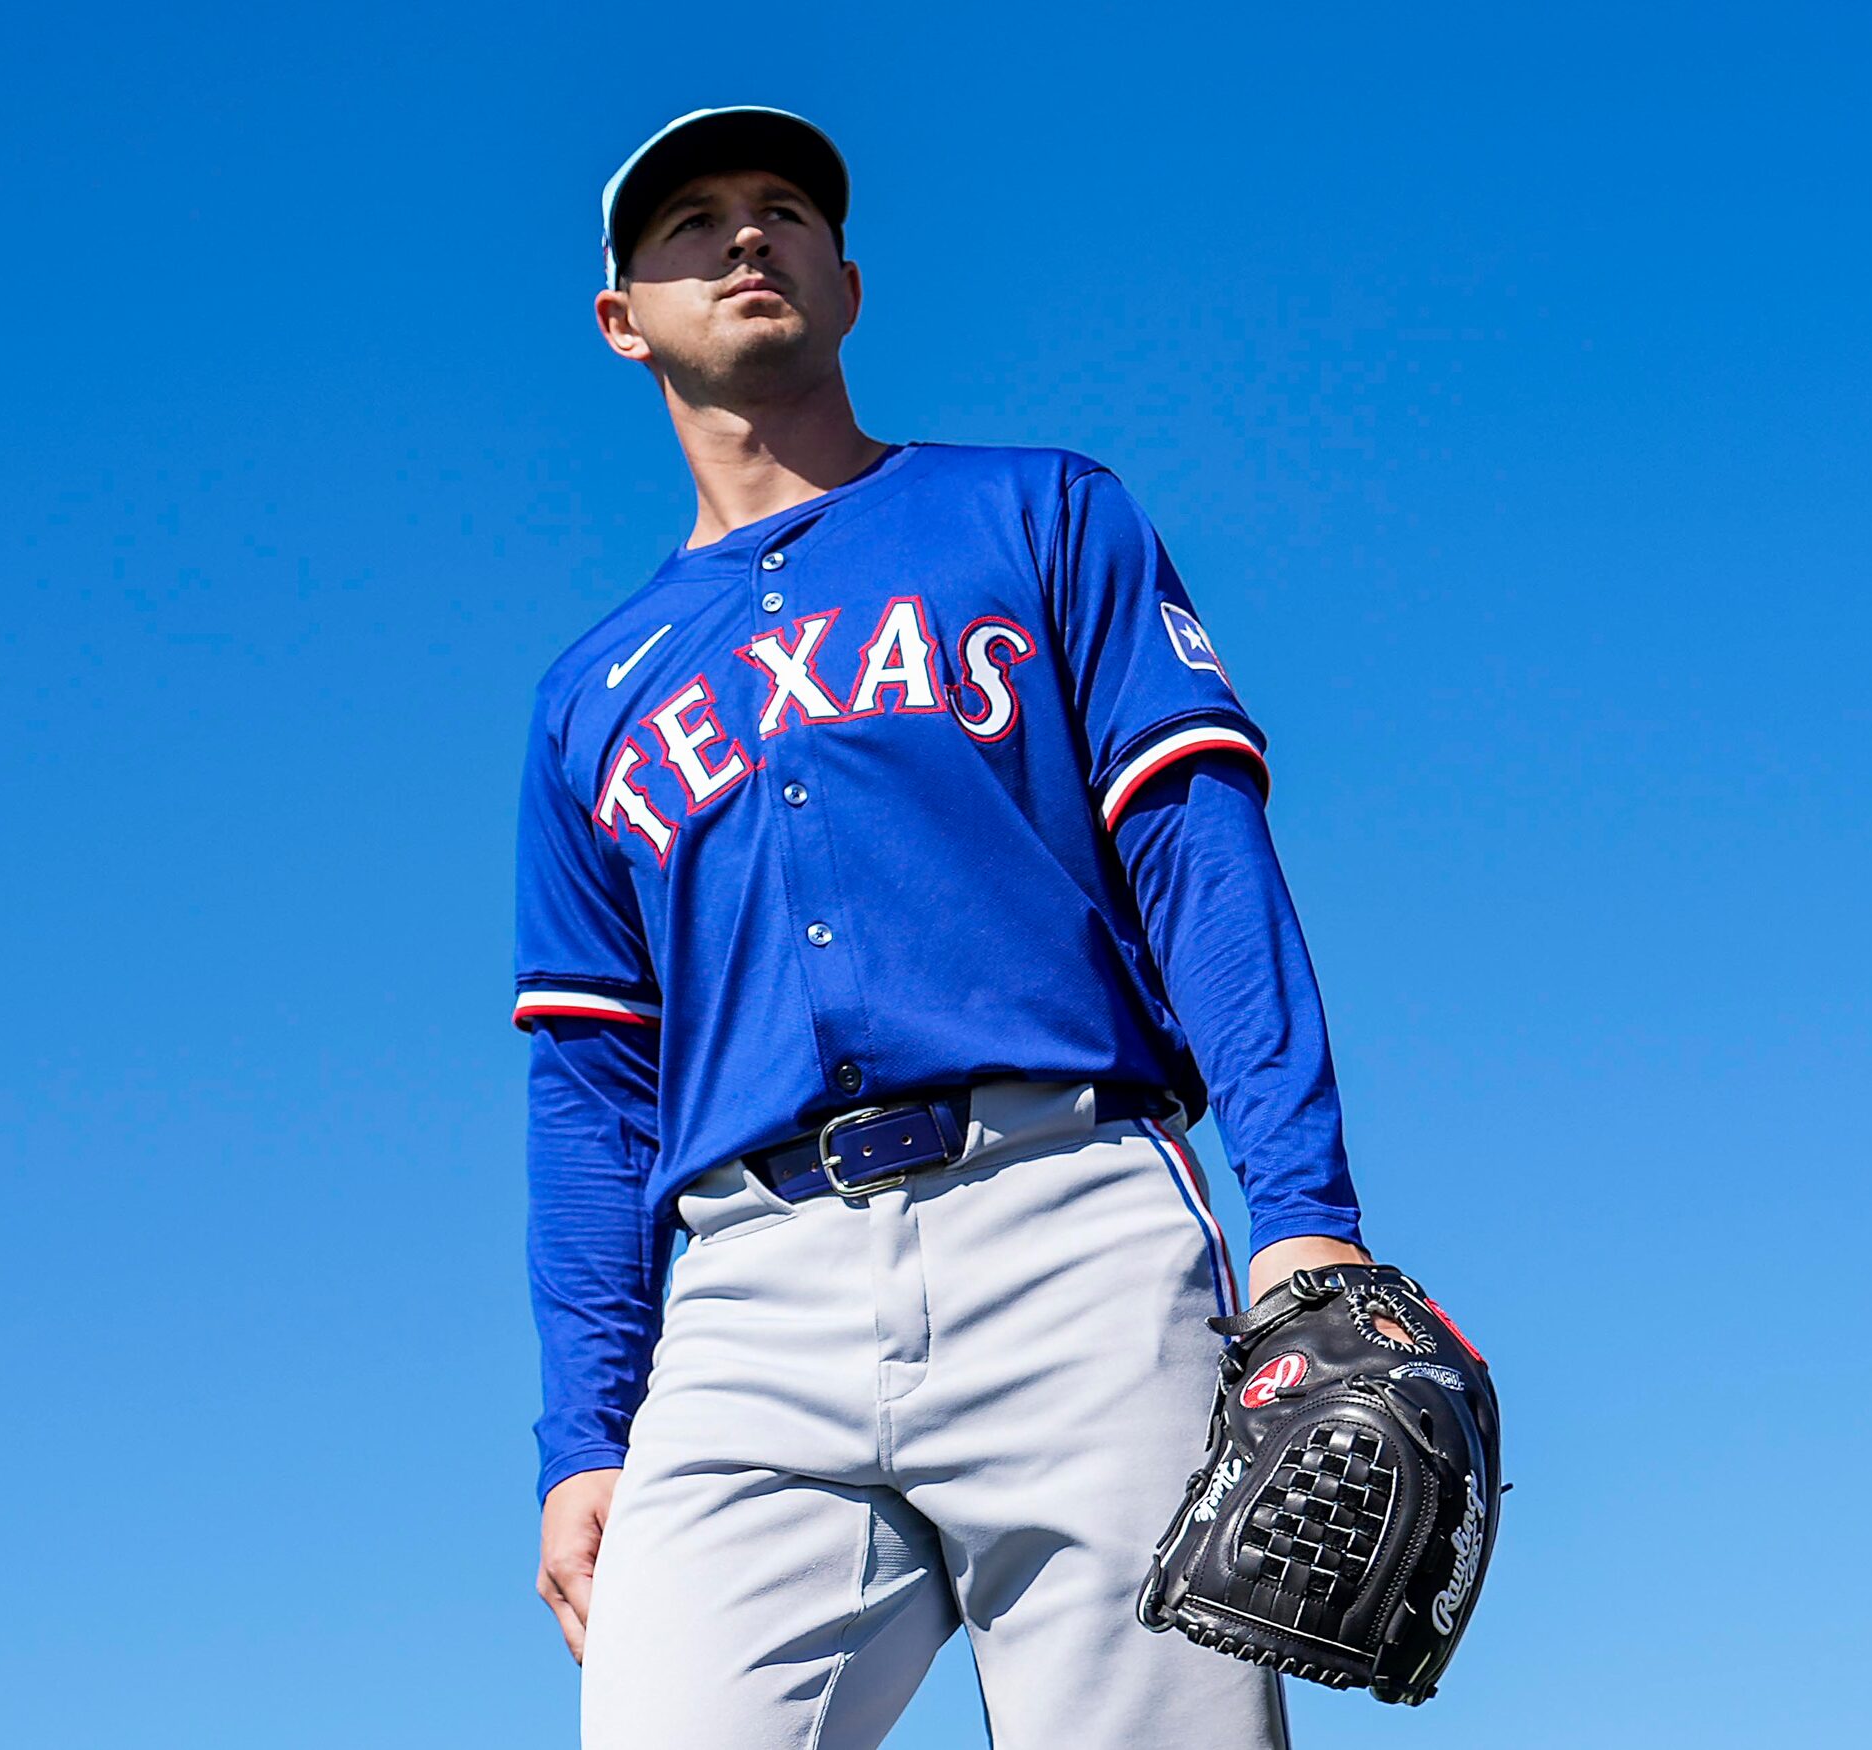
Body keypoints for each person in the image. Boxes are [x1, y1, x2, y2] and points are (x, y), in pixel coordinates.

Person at [511, 106, 1372, 1749]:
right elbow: (587, 1089)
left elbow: (1202, 859)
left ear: (846, 279)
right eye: (690, 221)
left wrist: (1304, 1211)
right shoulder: (586, 696)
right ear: (623, 321)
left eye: (784, 210)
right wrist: (583, 1434)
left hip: (1070, 1221)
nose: (745, 235)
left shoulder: (1037, 514)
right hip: (746, 1294)